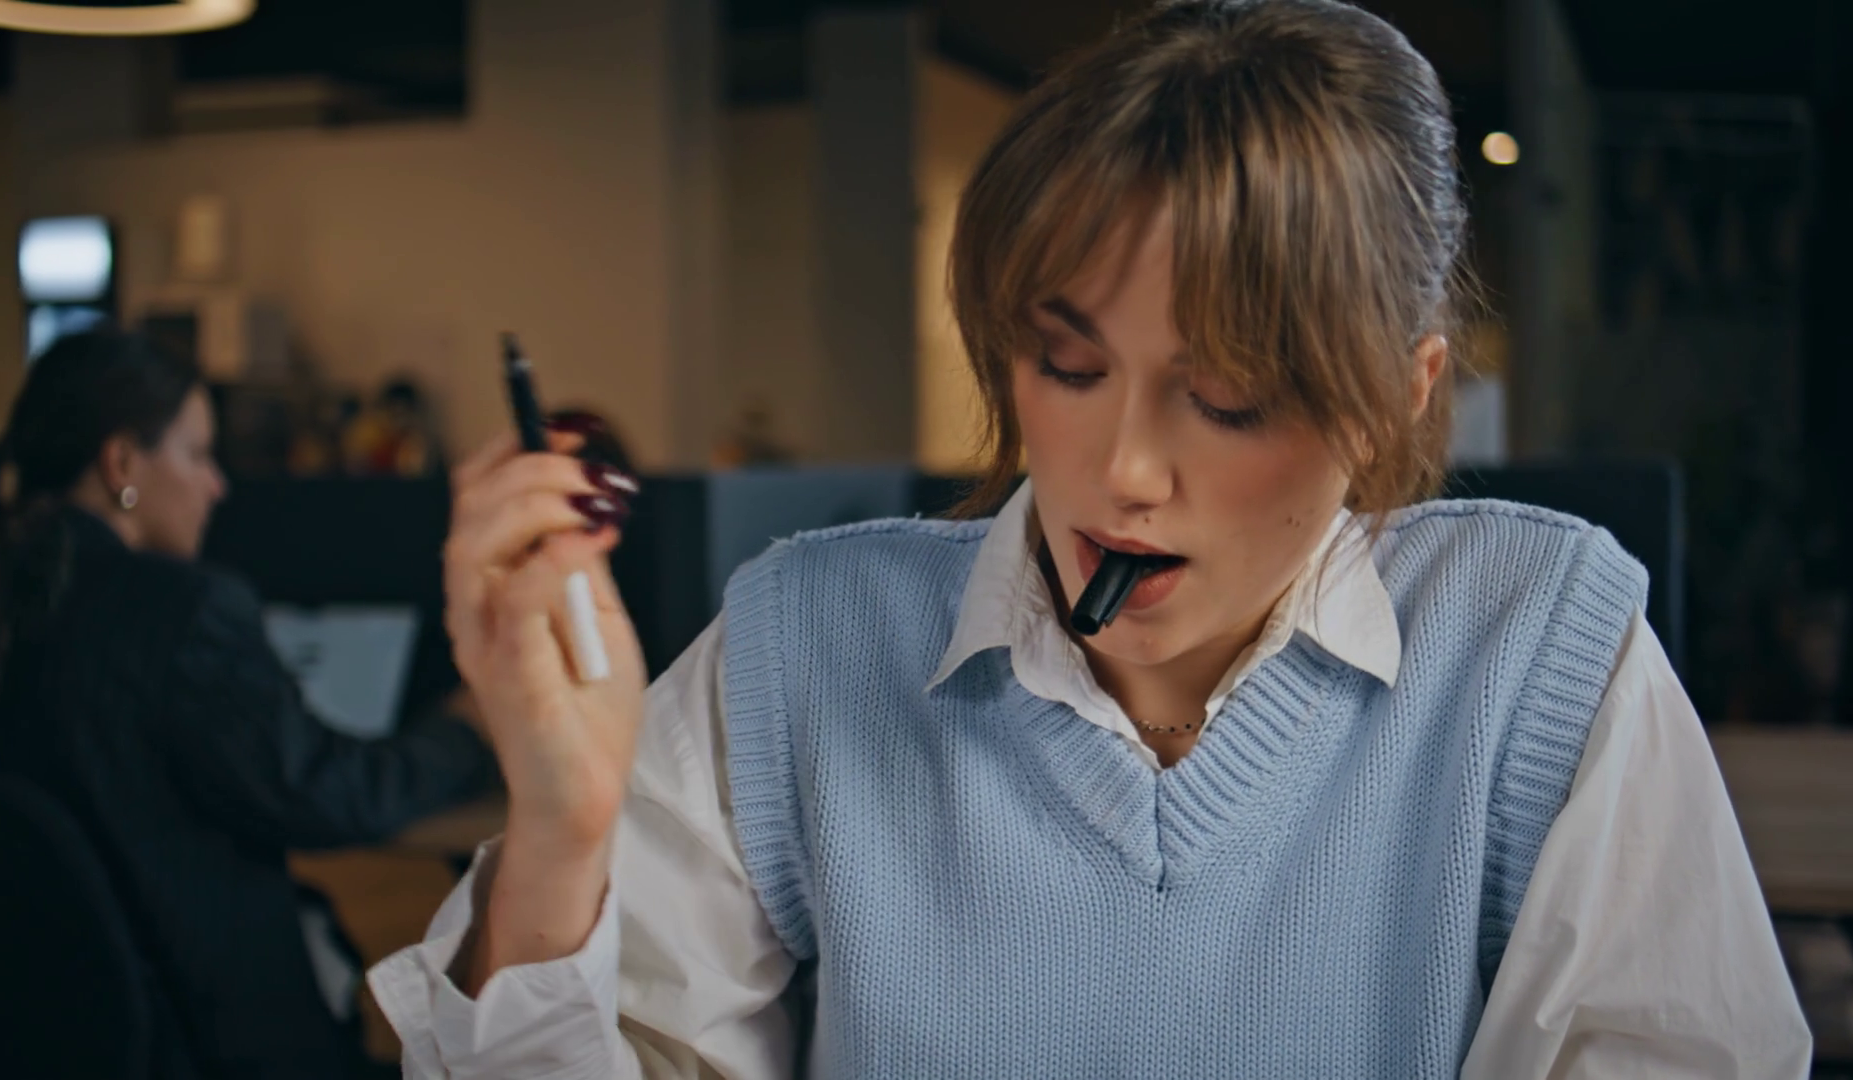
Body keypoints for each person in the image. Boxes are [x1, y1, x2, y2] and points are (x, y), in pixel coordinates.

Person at [371, 1, 1813, 1076]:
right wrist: (559, 836)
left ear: (1396, 394)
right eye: (1066, 368)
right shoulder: (809, 638)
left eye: (1228, 398)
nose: (1121, 470)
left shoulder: (1534, 644)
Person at [0, 331, 499, 1080]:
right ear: (121, 464)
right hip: (209, 1050)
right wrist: (466, 729)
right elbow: (325, 793)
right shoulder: (178, 611)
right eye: (198, 454)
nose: (218, 485)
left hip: (21, 1045)